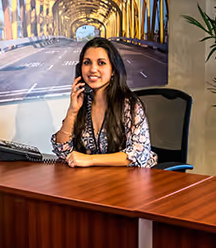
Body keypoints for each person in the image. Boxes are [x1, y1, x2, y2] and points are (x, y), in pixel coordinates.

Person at [52, 38, 157, 168]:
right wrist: (72, 111)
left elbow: (138, 153)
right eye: (87, 63)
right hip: (98, 179)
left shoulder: (129, 105)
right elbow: (62, 150)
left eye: (101, 63)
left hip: (133, 180)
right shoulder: (83, 103)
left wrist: (90, 160)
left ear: (113, 70)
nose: (93, 69)